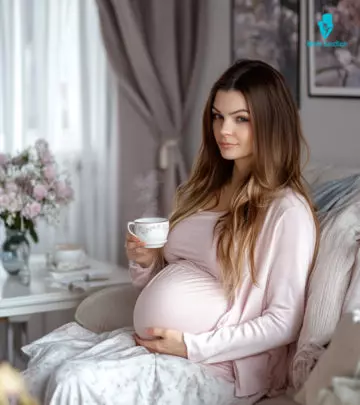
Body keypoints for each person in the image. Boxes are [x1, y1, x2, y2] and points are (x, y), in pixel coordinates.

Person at [22, 59, 319, 405]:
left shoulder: (286, 211)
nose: (224, 130)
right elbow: (171, 278)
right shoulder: (205, 189)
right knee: (43, 373)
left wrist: (192, 346)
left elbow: (284, 321)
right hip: (159, 346)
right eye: (217, 116)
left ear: (270, 125)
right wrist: (146, 262)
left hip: (215, 364)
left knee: (73, 383)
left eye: (241, 119)